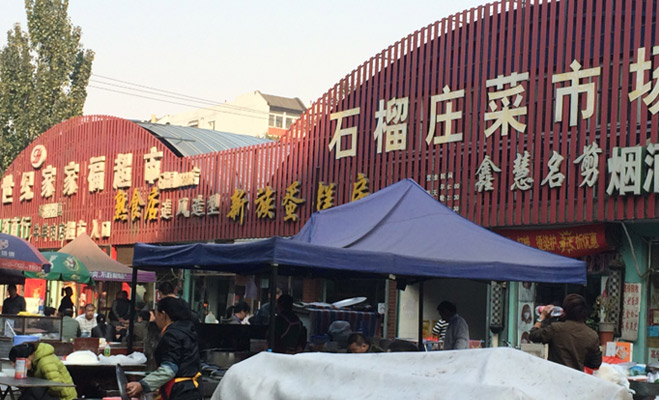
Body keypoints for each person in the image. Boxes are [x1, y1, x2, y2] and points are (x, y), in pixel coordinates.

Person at [126, 297, 202, 400]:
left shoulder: (172, 335)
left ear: (163, 314)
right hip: (191, 390)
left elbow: (169, 370)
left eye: (156, 314)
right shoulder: (187, 331)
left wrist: (142, 385)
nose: (155, 319)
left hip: (179, 392)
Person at [529, 293, 602, 371]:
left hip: (555, 374)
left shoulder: (556, 328)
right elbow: (595, 363)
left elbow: (533, 335)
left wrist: (542, 316)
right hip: (577, 376)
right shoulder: (592, 335)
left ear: (564, 311)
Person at [9, 341, 77, 400]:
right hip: (52, 394)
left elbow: (56, 387)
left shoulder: (45, 362)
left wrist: (41, 391)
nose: (14, 366)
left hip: (64, 397)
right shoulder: (34, 362)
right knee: (29, 391)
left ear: (25, 359)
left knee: (33, 390)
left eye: (16, 363)